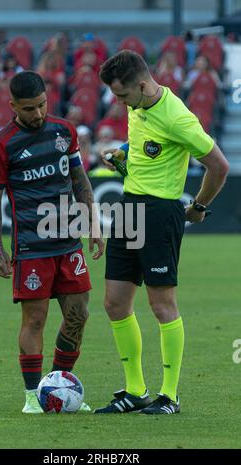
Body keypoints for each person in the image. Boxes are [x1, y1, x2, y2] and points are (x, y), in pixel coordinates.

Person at [93, 50, 229, 415]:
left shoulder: (178, 118)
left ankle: (170, 395)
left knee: (161, 304)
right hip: (129, 205)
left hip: (160, 213)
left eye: (122, 96)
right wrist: (123, 154)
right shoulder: (135, 105)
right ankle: (135, 390)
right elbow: (144, 147)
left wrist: (197, 207)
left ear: (141, 84)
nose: (119, 103)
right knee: (115, 302)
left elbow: (219, 165)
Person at [0, 71, 104, 414]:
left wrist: (93, 224)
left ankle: (59, 387)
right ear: (12, 106)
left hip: (68, 243)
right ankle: (32, 396)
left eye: (40, 105)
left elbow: (79, 180)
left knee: (79, 314)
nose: (36, 113)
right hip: (33, 247)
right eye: (28, 109)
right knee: (34, 320)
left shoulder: (64, 131)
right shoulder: (0, 145)